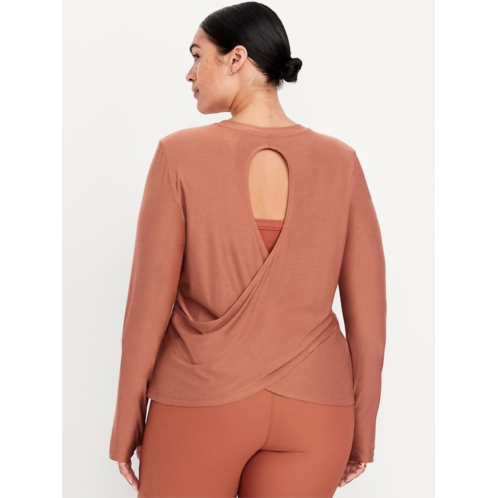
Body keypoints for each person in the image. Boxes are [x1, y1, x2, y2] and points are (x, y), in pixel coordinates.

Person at [109, 2, 387, 497]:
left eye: (198, 56)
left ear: (237, 58)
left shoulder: (179, 155)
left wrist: (126, 424)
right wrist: (362, 431)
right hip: (317, 410)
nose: (190, 73)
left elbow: (147, 307)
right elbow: (369, 315)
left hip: (202, 400)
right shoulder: (341, 162)